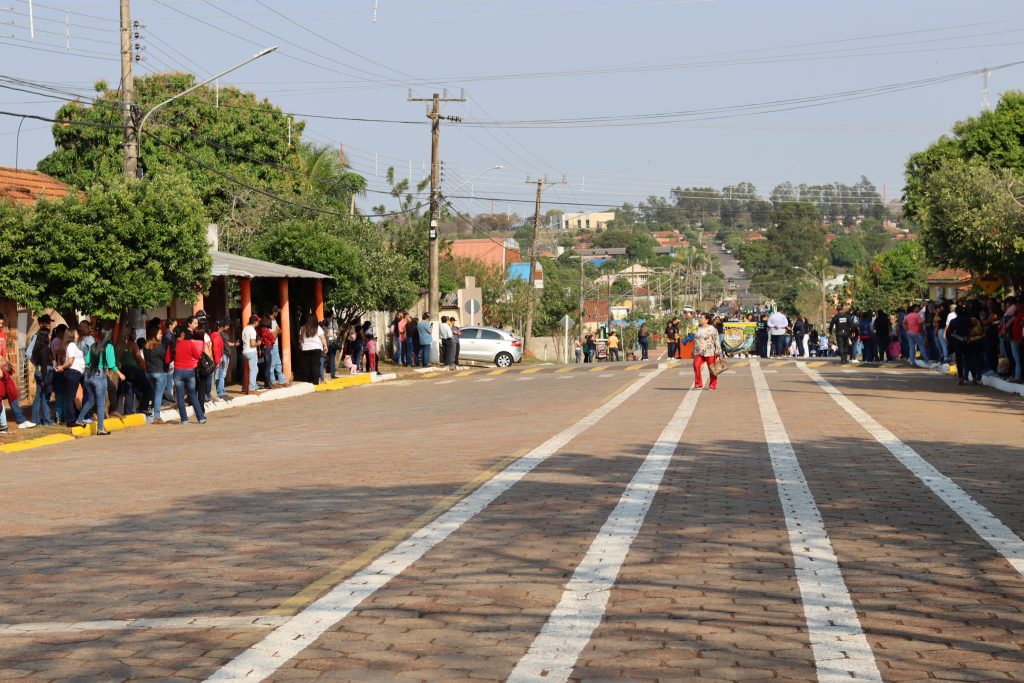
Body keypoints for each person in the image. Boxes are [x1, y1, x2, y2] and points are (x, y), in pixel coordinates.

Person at [171, 328, 207, 424]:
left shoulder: (173, 345)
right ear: (182, 334)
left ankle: (184, 419)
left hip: (178, 371)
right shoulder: (189, 343)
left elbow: (167, 359)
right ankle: (201, 418)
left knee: (180, 396)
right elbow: (197, 356)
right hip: (189, 371)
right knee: (193, 395)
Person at [27, 314, 54, 425]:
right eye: (47, 322)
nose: (49, 324)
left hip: (44, 369)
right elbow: (28, 352)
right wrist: (36, 363)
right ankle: (46, 420)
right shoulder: (38, 336)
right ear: (41, 323)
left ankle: (35, 420)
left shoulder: (47, 337)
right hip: (44, 370)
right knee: (45, 395)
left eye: (50, 322)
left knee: (40, 395)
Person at [692, 312, 723, 390]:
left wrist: (718, 350)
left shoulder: (712, 329)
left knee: (712, 368)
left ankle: (713, 384)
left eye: (702, 318)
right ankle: (698, 384)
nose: (700, 319)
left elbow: (716, 340)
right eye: (700, 318)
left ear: (707, 320)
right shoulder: (698, 328)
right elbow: (696, 340)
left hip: (710, 351)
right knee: (696, 365)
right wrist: (693, 350)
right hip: (699, 351)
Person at [298, 316, 327, 385]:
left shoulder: (303, 328)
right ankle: (315, 381)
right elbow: (322, 338)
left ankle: (308, 380)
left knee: (307, 364)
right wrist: (325, 346)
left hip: (306, 348)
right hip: (316, 348)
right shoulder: (317, 327)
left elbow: (300, 339)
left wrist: (301, 346)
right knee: (315, 364)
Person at [240, 315, 261, 395]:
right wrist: (258, 343)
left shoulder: (245, 329)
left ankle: (250, 387)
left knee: (252, 370)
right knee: (254, 370)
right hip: (251, 352)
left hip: (245, 352)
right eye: (257, 321)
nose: (258, 322)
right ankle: (252, 388)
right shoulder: (252, 330)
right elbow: (252, 344)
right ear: (255, 322)